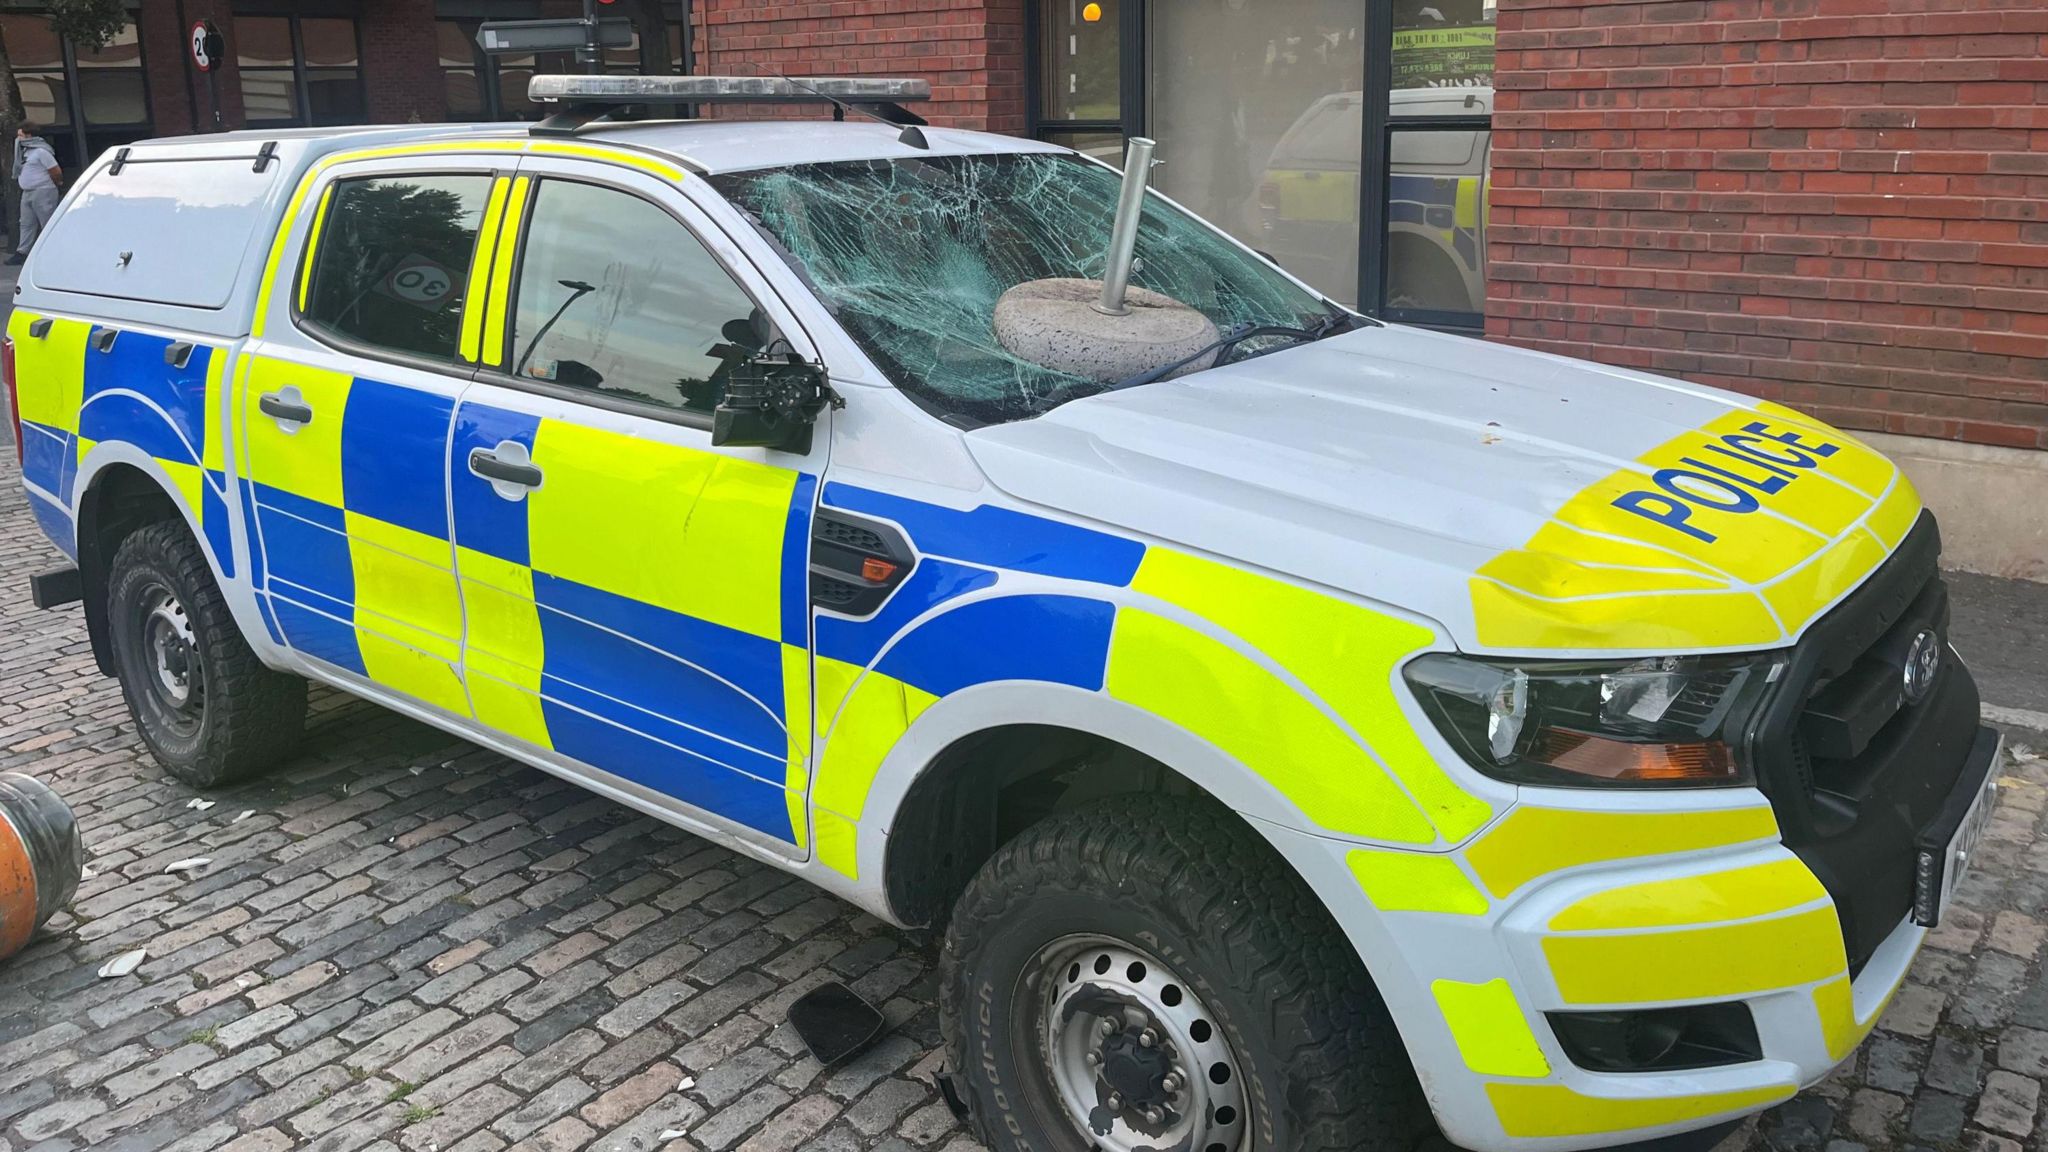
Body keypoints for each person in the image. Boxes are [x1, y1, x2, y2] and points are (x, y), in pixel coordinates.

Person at [10, 123, 62, 265]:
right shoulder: (24, 152)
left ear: (29, 135)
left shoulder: (41, 151)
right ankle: (22, 252)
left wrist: (56, 184)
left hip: (43, 190)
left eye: (20, 135)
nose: (18, 138)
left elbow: (55, 171)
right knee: (26, 223)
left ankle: (53, 251)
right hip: (27, 191)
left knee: (47, 221)